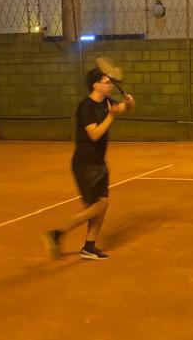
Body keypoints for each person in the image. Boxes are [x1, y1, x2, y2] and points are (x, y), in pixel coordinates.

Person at [44, 67, 134, 260]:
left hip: (99, 162)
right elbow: (94, 134)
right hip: (85, 164)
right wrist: (111, 116)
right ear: (95, 85)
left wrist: (129, 103)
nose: (110, 86)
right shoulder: (86, 107)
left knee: (102, 204)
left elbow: (125, 108)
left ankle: (89, 247)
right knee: (97, 206)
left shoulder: (107, 102)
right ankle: (57, 233)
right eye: (107, 82)